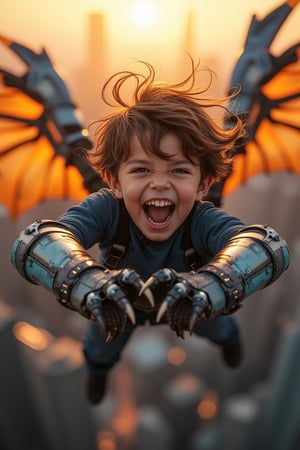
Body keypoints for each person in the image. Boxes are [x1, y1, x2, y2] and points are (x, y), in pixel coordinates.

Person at [11, 59, 290, 405]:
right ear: (114, 181)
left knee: (220, 327)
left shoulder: (202, 219)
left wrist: (212, 285)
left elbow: (266, 245)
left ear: (203, 184)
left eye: (178, 170)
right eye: (141, 169)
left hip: (190, 302)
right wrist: (89, 282)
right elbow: (36, 240)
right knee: (100, 348)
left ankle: (229, 342)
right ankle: (98, 372)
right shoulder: (106, 208)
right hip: (116, 302)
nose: (160, 182)